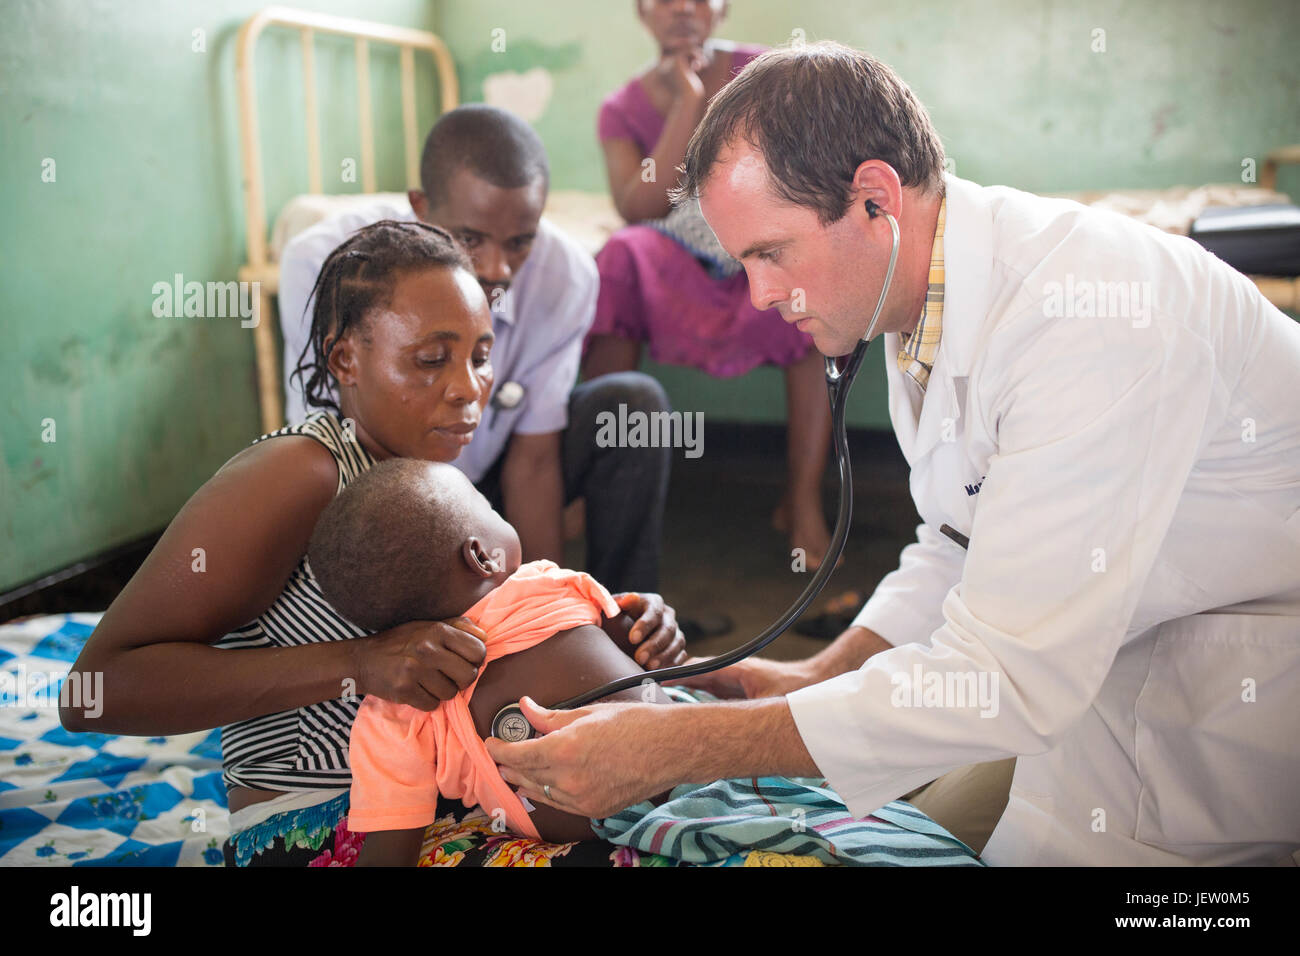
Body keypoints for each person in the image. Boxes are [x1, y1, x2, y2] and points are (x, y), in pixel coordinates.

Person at [488, 42, 1300, 867]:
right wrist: (817, 677)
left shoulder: (1089, 322)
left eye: (771, 253)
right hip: (1099, 665)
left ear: (876, 198)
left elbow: (1004, 680)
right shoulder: (921, 301)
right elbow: (961, 537)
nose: (761, 295)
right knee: (929, 826)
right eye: (744, 263)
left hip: (1235, 689)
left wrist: (684, 743)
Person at [58, 221, 686, 868]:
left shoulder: (430, 469)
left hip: (464, 793)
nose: (470, 387)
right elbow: (95, 690)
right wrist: (359, 662)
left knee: (690, 788)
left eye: (480, 354)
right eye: (431, 359)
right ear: (345, 361)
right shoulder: (300, 475)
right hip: (328, 826)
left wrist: (613, 633)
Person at [313, 459, 976, 868]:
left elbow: (389, 844)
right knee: (833, 816)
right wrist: (652, 625)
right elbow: (634, 638)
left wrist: (649, 627)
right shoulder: (549, 579)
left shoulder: (393, 709)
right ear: (480, 556)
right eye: (489, 512)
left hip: (606, 821)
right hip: (695, 764)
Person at [279, 105, 670, 596]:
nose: (498, 269)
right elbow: (331, 455)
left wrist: (552, 612)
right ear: (420, 209)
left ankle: (622, 623)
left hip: (492, 488)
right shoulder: (328, 265)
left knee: (633, 405)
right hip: (375, 502)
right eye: (470, 239)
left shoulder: (566, 276)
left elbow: (535, 459)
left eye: (520, 242)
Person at [581, 0, 836, 568]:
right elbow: (640, 206)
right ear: (641, 12)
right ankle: (593, 482)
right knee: (620, 257)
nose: (681, 9)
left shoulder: (764, 75)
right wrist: (689, 103)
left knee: (806, 268)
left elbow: (801, 177)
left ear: (722, 9)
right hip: (676, 259)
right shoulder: (622, 108)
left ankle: (802, 500)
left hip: (755, 253)